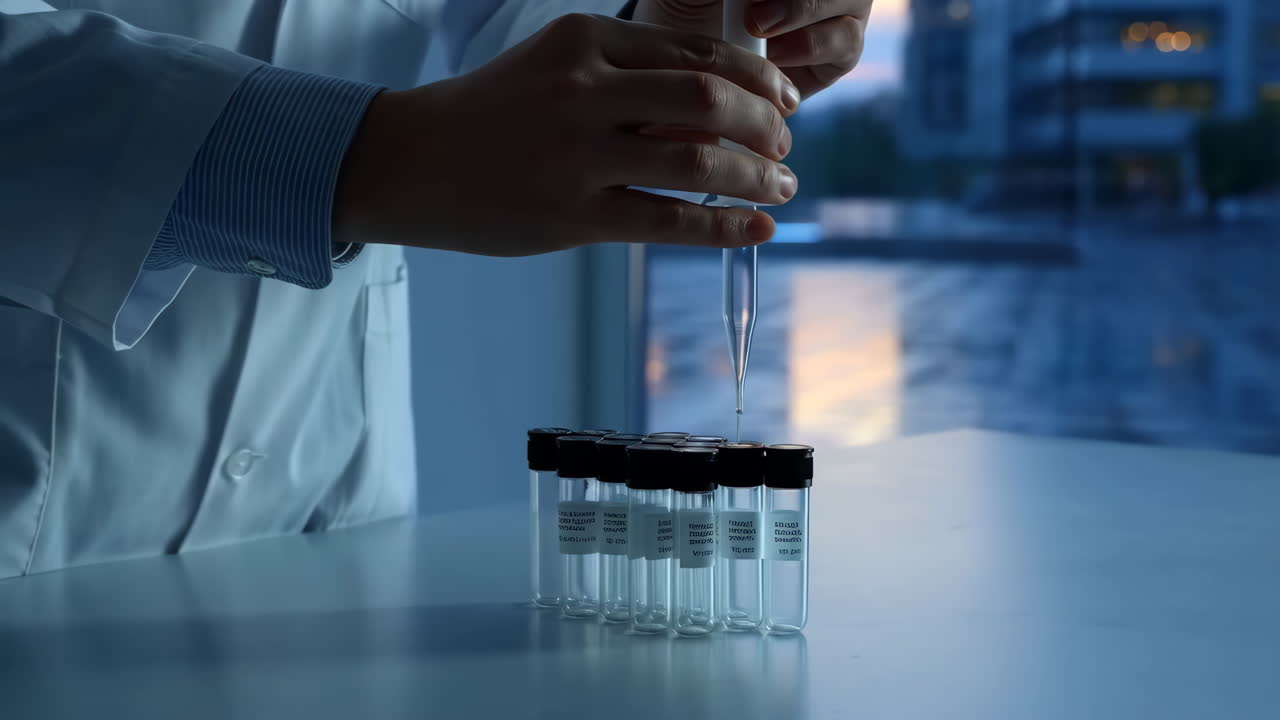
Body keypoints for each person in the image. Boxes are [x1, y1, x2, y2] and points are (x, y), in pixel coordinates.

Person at [0, 0, 870, 578]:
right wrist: (368, 156)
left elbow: (520, 23)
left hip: (334, 523)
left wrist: (669, 37)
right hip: (33, 528)